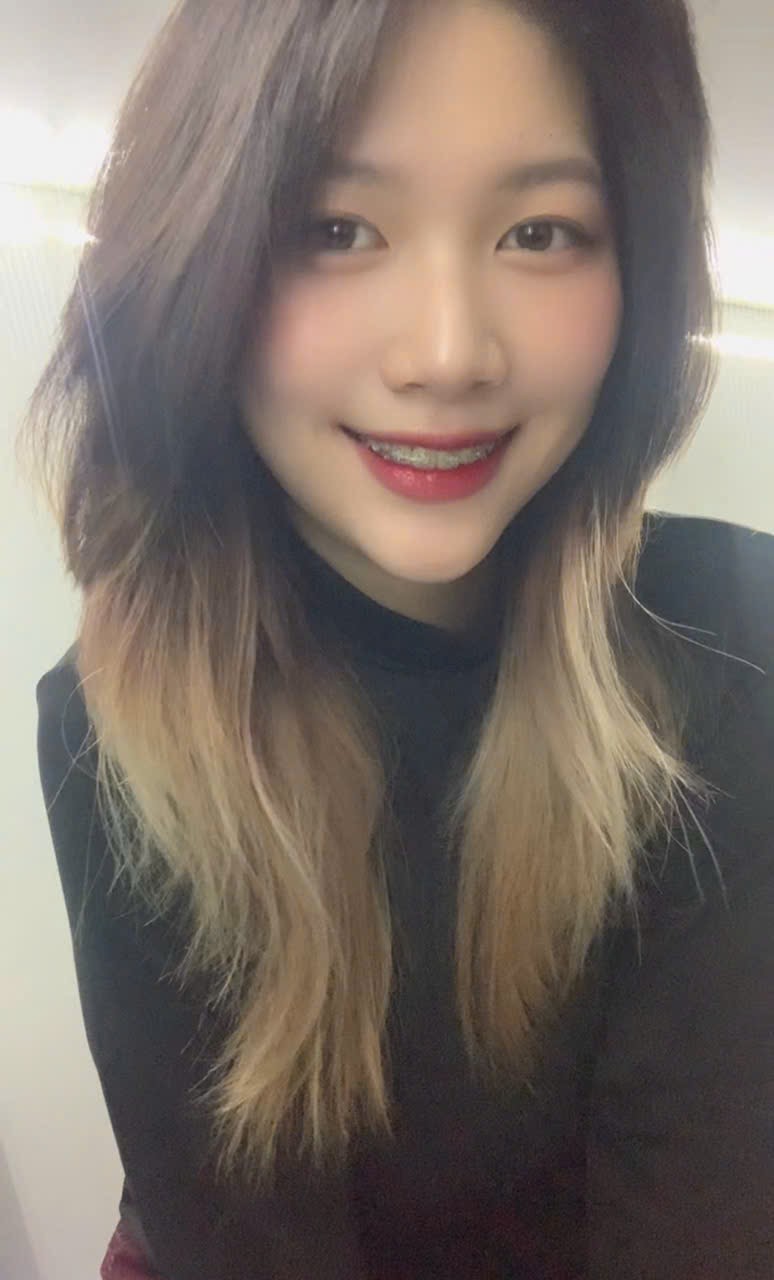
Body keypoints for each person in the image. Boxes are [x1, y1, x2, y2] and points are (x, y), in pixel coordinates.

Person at [18, 1, 773, 1277]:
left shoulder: (736, 644)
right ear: (200, 259)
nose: (447, 353)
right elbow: (241, 1231)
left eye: (540, 231)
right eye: (336, 229)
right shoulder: (121, 717)